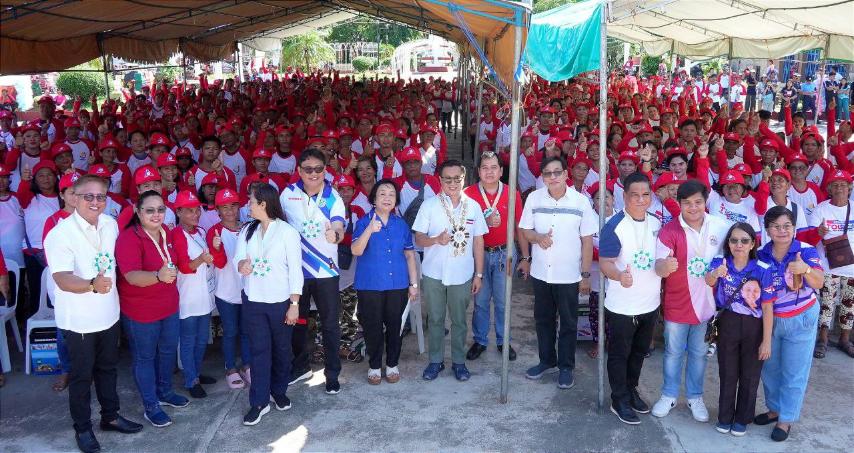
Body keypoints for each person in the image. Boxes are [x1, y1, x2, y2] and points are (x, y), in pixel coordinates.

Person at [44, 174, 143, 453]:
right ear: (73, 197)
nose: (95, 202)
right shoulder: (60, 234)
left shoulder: (110, 225)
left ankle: (110, 417)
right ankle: (83, 428)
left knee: (108, 370)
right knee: (81, 377)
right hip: (79, 321)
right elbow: (62, 278)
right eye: (88, 196)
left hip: (109, 314)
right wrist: (90, 284)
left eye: (101, 196)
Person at [652, 180, 731, 422]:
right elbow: (658, 267)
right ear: (679, 204)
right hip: (677, 301)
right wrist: (664, 266)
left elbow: (741, 251)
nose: (693, 207)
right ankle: (669, 394)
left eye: (698, 202)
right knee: (673, 352)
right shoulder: (669, 230)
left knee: (698, 353)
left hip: (708, 305)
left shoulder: (722, 226)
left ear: (706, 201)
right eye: (687, 203)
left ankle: (695, 397)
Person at [519, 156, 596, 387]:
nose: (552, 177)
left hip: (569, 274)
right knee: (543, 320)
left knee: (569, 323)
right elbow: (525, 229)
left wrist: (585, 275)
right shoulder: (534, 198)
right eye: (547, 173)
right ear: (542, 177)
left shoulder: (581, 202)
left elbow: (587, 242)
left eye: (556, 172)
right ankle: (546, 361)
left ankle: (566, 366)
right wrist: (537, 238)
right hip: (542, 273)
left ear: (565, 174)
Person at [115, 190, 189, 428]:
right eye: (150, 210)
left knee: (168, 351)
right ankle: (151, 405)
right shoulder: (129, 238)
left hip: (168, 305)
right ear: (138, 212)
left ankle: (165, 392)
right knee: (145, 358)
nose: (156, 214)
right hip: (140, 311)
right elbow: (131, 276)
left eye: (160, 209)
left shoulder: (166, 233)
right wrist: (158, 275)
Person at [234, 183, 303, 426]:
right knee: (259, 351)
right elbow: (238, 258)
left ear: (263, 203)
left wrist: (294, 303)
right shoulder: (247, 231)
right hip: (253, 300)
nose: (248, 205)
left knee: (282, 349)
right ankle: (259, 401)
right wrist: (241, 265)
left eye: (251, 201)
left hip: (280, 301)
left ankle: (279, 391)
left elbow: (295, 269)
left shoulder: (287, 232)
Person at [754, 205, 824, 442]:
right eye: (776, 226)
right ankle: (774, 410)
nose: (782, 231)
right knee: (770, 369)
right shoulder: (762, 254)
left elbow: (819, 281)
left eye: (787, 226)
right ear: (768, 230)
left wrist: (804, 269)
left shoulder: (805, 250)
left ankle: (786, 419)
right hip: (771, 319)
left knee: (794, 371)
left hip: (801, 317)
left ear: (794, 228)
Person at [279, 148, 346, 394]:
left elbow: (338, 223)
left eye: (319, 169)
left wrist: (335, 234)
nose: (313, 174)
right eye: (308, 169)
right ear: (299, 171)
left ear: (325, 170)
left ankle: (332, 374)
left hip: (326, 272)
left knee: (330, 325)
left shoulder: (333, 197)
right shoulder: (288, 195)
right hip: (297, 271)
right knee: (297, 322)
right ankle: (301, 367)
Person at [413, 159, 487, 381]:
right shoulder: (429, 205)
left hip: (462, 274)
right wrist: (436, 239)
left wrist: (479, 274)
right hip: (434, 273)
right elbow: (419, 238)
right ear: (440, 180)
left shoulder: (473, 206)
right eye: (448, 179)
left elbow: (478, 242)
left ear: (464, 179)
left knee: (459, 321)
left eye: (458, 179)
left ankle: (458, 362)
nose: (453, 183)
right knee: (435, 319)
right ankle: (435, 361)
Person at [599, 172, 662, 425]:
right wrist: (617, 276)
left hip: (650, 303)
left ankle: (631, 389)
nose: (640, 199)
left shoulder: (657, 223)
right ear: (624, 196)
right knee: (619, 354)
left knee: (639, 352)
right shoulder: (614, 226)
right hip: (623, 305)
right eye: (634, 195)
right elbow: (605, 263)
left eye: (645, 194)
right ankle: (619, 399)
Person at [705, 222, 774, 436]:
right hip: (728, 323)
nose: (739, 245)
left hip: (754, 326)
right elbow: (708, 281)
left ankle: (742, 419)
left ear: (753, 243)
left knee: (750, 375)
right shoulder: (720, 262)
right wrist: (716, 273)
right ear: (728, 243)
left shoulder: (762, 269)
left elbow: (767, 306)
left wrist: (766, 340)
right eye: (734, 240)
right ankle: (724, 417)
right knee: (728, 372)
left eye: (745, 240)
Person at [350, 179, 419, 384]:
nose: (387, 197)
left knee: (394, 325)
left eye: (391, 194)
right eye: (382, 194)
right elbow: (356, 250)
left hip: (397, 284)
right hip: (370, 284)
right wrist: (370, 230)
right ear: (373, 199)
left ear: (396, 200)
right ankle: (374, 365)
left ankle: (392, 364)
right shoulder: (363, 222)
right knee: (372, 326)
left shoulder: (401, 224)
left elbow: (409, 255)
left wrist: (413, 284)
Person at [464, 152, 525, 362]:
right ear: (478, 171)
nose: (489, 172)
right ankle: (480, 340)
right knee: (480, 301)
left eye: (493, 167)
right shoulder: (468, 193)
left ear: (501, 170)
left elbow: (519, 226)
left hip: (504, 254)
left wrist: (525, 257)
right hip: (478, 254)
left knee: (502, 300)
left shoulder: (512, 193)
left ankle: (503, 340)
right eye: (484, 167)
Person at [170, 190, 216, 399]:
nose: (195, 214)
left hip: (204, 294)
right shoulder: (177, 234)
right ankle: (191, 380)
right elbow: (183, 267)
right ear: (178, 212)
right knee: (188, 341)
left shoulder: (199, 231)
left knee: (200, 340)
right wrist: (201, 259)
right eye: (189, 211)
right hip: (187, 296)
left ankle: (196, 372)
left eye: (196, 210)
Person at [208, 188, 252, 388]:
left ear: (239, 207)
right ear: (218, 210)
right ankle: (230, 367)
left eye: (233, 206)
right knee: (231, 331)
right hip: (225, 292)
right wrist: (216, 248)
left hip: (246, 290)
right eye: (224, 207)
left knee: (246, 330)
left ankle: (247, 365)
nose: (229, 211)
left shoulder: (248, 227)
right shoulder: (214, 231)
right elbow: (219, 263)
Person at [810, 169, 854, 358]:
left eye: (843, 185)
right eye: (835, 185)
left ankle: (845, 340)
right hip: (828, 266)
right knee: (826, 305)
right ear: (829, 188)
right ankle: (823, 340)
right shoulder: (821, 208)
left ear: (849, 187)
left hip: (851, 268)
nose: (839, 188)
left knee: (849, 306)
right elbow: (809, 236)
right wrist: (817, 232)